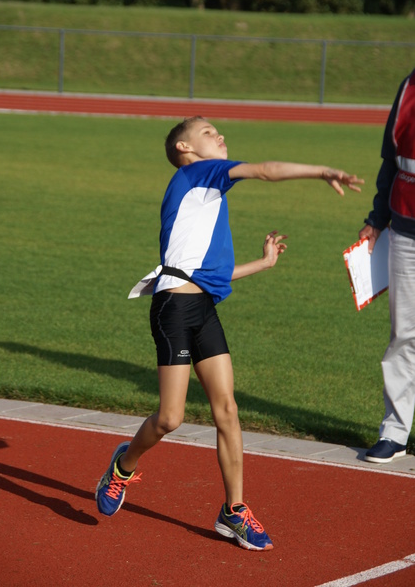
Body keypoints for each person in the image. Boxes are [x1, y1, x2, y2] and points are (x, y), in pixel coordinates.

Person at [96, 116, 363, 551]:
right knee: (170, 418)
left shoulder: (208, 198)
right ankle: (122, 468)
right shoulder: (194, 174)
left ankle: (233, 511)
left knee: (228, 410)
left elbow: (214, 275)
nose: (218, 135)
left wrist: (263, 264)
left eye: (218, 130)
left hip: (201, 307)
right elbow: (264, 170)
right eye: (206, 132)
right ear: (185, 148)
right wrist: (321, 171)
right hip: (173, 308)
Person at [359, 68, 415, 464]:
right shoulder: (410, 86)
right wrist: (376, 218)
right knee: (404, 334)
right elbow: (390, 159)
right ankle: (394, 432)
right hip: (405, 227)